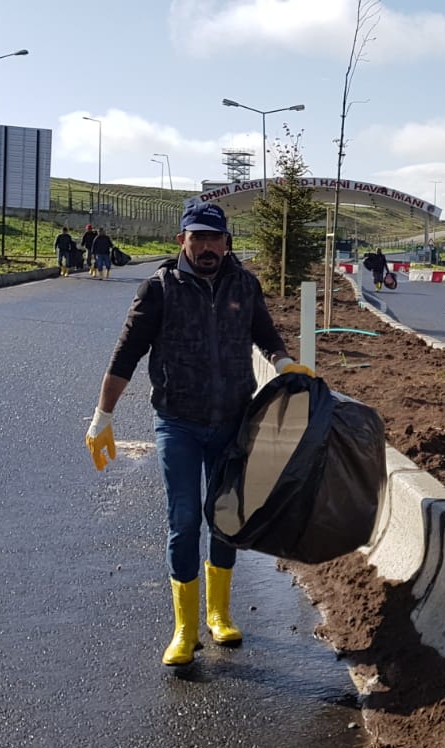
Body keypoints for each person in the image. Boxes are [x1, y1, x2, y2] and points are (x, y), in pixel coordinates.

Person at [84, 201, 315, 666]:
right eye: (198, 238)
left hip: (233, 421)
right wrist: (102, 416)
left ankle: (219, 614)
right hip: (178, 423)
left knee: (226, 516)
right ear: (182, 241)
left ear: (226, 241)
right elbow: (125, 355)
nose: (208, 247)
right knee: (185, 519)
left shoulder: (244, 285)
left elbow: (265, 333)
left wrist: (284, 361)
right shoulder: (160, 290)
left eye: (215, 238)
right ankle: (185, 628)